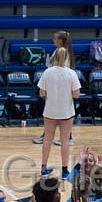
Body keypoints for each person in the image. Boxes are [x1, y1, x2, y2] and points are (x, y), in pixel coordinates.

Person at [37, 47, 81, 179]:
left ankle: (44, 168)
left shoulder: (47, 72)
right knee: (65, 141)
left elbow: (42, 93)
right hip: (66, 112)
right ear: (67, 58)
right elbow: (77, 94)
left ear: (54, 57)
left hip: (50, 111)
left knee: (47, 140)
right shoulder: (71, 73)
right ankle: (64, 171)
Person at [32, 30, 76, 147]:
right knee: (58, 112)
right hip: (55, 85)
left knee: (59, 113)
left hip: (60, 87)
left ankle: (64, 137)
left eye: (55, 38)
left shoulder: (64, 53)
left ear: (61, 40)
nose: (53, 40)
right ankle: (63, 137)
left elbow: (64, 71)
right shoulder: (57, 51)